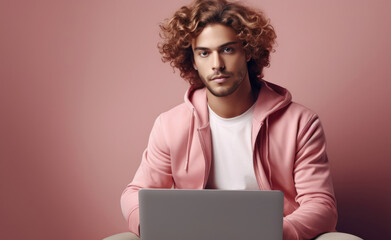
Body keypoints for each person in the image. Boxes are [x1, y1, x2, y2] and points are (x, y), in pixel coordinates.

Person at [105, 0, 362, 240]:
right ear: (192, 60)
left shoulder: (300, 123)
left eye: (227, 49)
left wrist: (272, 233)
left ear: (248, 52)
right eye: (204, 53)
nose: (217, 64)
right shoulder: (170, 124)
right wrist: (153, 228)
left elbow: (321, 205)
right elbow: (134, 194)